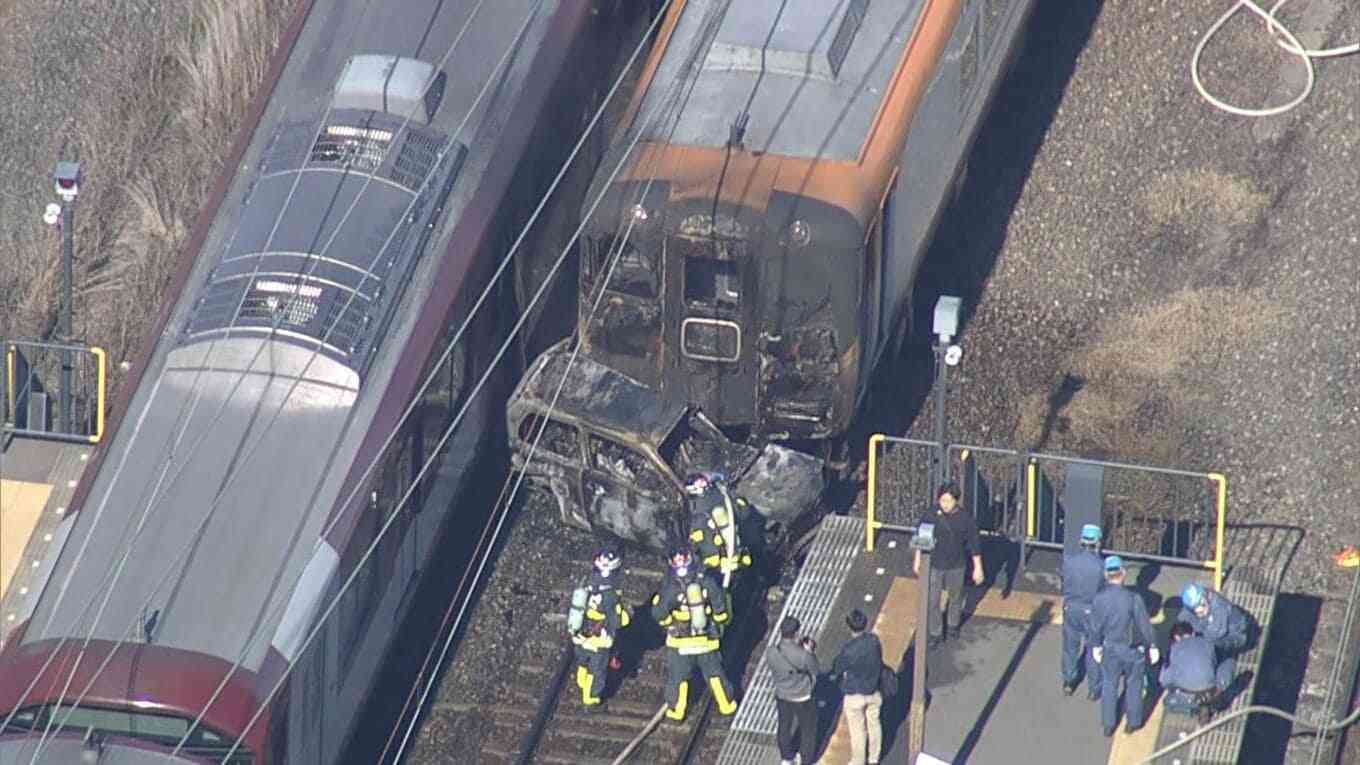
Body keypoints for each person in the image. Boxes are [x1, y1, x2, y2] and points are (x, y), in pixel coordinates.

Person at [650, 544, 738, 721]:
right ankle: (727, 707)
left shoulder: (670, 588)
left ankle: (676, 712)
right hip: (706, 641)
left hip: (680, 643)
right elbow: (721, 612)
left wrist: (671, 624)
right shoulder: (707, 582)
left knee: (677, 679)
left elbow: (659, 614)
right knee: (715, 675)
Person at [1089, 556, 1160, 737]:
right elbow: (1145, 625)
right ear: (1123, 574)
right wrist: (1152, 645)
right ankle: (1133, 722)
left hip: (1110, 649)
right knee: (1134, 685)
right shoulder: (1133, 598)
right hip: (1133, 650)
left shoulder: (1099, 599)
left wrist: (1096, 646)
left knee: (1109, 685)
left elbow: (1095, 627)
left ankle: (1108, 724)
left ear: (1106, 575)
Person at [913, 482, 984, 648]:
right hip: (935, 564)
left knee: (956, 596)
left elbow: (974, 543)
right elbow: (922, 538)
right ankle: (935, 632)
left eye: (948, 501)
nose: (944, 504)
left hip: (956, 565)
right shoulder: (931, 514)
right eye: (942, 500)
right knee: (932, 600)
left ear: (956, 501)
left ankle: (953, 624)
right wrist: (918, 560)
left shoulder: (965, 519)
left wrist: (978, 567)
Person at [567, 547, 631, 708]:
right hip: (600, 637)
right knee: (597, 669)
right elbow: (616, 620)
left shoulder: (588, 580)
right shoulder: (611, 593)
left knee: (582, 661)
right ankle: (591, 698)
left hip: (582, 631)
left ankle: (581, 682)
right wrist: (623, 618)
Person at [765, 615, 820, 765]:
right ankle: (806, 760)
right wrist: (809, 652)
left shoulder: (771, 651)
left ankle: (786, 758)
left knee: (784, 726)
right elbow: (815, 669)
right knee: (808, 729)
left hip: (782, 695)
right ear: (796, 634)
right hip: (802, 696)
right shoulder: (803, 655)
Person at [830, 609, 883, 765]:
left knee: (857, 730)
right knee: (874, 724)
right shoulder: (874, 641)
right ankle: (874, 758)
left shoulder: (849, 650)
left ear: (849, 627)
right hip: (873, 690)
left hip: (855, 694)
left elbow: (837, 667)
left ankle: (858, 761)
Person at [1061, 523, 1106, 699]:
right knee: (1094, 648)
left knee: (1070, 647)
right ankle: (1094, 689)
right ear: (1097, 542)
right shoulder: (1100, 566)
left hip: (1071, 607)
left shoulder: (1069, 561)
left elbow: (1063, 583)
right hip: (1092, 610)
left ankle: (1069, 681)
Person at [1178, 583, 1249, 693]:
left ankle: (1221, 687)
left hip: (1235, 635)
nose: (1200, 609)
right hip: (1211, 631)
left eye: (1202, 606)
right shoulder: (1194, 605)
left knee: (1219, 652)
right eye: (1195, 609)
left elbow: (1213, 637)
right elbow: (1183, 618)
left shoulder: (1220, 608)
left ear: (1206, 597)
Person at [686, 472, 753, 582]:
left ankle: (737, 558)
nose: (703, 482)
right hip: (714, 555)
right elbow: (697, 536)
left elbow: (742, 514)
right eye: (698, 482)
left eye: (702, 480)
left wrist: (741, 505)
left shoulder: (720, 493)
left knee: (719, 513)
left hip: (732, 542)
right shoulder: (696, 507)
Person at [1160, 622, 1218, 724]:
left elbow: (1164, 680)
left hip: (1189, 693)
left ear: (1176, 637)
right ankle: (1212, 700)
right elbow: (1214, 662)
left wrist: (1173, 687)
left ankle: (1194, 709)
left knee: (1167, 703)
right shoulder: (1207, 642)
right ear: (1193, 633)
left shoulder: (1174, 649)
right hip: (1211, 687)